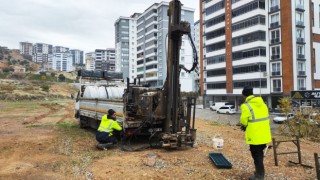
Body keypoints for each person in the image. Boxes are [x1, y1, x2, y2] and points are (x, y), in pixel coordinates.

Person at [240, 86, 272, 180]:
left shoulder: (246, 106)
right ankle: (259, 172)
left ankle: (259, 176)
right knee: (260, 154)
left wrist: (244, 125)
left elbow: (243, 120)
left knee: (256, 155)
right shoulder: (263, 104)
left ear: (244, 95)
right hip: (265, 134)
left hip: (255, 136)